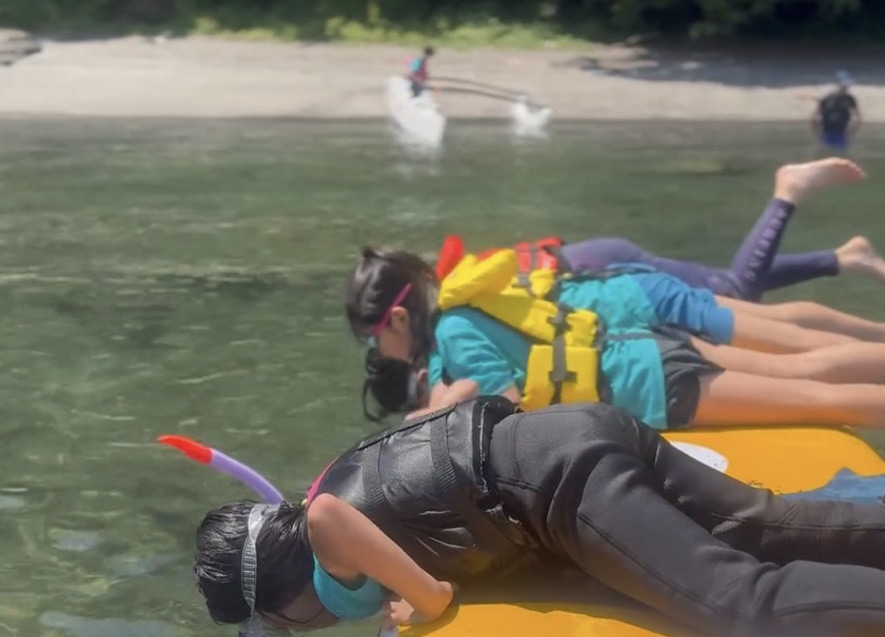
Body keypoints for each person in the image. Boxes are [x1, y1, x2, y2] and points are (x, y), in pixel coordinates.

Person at [193, 399, 885, 637]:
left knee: (745, 604)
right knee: (762, 523)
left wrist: (421, 601)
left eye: (281, 622)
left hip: (563, 483)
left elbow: (328, 520)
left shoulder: (328, 537)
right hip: (574, 436)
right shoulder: (339, 479)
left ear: (279, 596)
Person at [347, 161, 885, 430]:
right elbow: (469, 384)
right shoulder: (458, 310)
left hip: (644, 361)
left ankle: (791, 198)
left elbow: (502, 407)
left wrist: (431, 422)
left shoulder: (452, 332)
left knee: (814, 387)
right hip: (636, 339)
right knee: (804, 365)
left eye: (373, 344)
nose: (379, 358)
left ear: (395, 319)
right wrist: (438, 408)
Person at [812, 71, 861, 154]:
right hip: (827, 133)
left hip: (842, 134)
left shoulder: (850, 99)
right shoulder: (827, 98)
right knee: (825, 155)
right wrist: (817, 133)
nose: (846, 87)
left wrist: (852, 132)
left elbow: (857, 117)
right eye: (844, 84)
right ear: (837, 84)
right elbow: (814, 117)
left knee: (841, 156)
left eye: (847, 85)